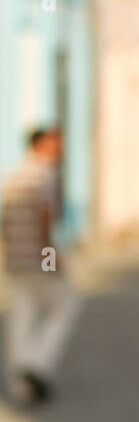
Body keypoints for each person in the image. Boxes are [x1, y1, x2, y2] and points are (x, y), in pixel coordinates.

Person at [2, 127, 81, 405]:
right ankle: (36, 365)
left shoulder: (13, 177)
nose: (59, 148)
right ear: (41, 145)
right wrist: (51, 259)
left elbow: (6, 222)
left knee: (22, 317)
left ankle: (20, 383)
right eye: (54, 143)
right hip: (38, 259)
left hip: (16, 260)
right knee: (65, 306)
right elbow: (44, 221)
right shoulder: (44, 176)